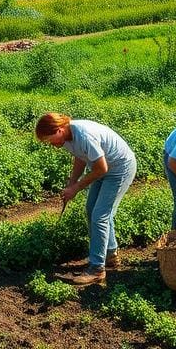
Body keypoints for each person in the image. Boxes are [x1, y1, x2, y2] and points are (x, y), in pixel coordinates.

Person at [36, 112, 137, 286]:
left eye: (50, 139)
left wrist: (75, 188)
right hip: (102, 169)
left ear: (59, 130)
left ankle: (97, 269)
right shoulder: (67, 138)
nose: (51, 144)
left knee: (100, 215)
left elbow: (101, 168)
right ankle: (110, 255)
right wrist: (72, 182)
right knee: (91, 210)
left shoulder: (83, 134)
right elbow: (81, 158)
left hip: (119, 168)